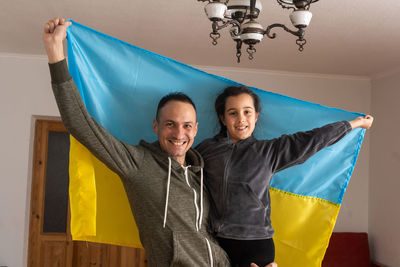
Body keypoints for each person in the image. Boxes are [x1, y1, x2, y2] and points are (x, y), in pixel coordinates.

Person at [43, 18, 232, 266]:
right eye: (170, 124)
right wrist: (55, 52)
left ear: (196, 130)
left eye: (187, 126)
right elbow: (80, 124)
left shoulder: (203, 173)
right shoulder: (139, 164)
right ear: (156, 126)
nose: (179, 134)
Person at [196, 86, 373, 267]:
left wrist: (355, 124)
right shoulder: (207, 150)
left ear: (256, 116)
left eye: (247, 112)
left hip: (256, 245)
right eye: (233, 113)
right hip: (216, 242)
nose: (241, 119)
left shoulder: (269, 151)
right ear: (222, 118)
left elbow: (314, 139)